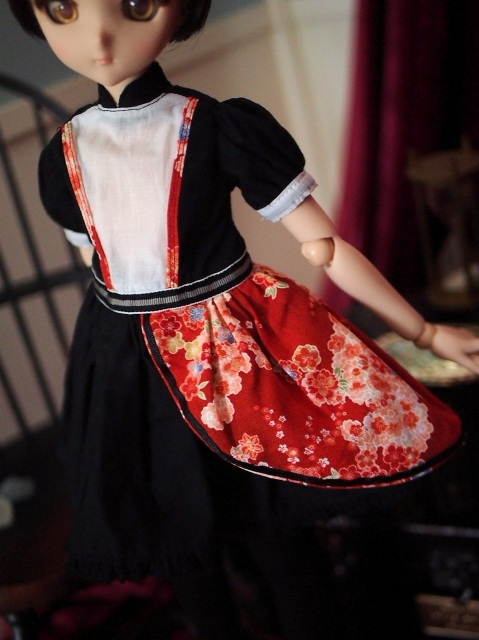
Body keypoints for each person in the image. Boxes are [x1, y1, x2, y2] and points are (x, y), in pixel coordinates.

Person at [8, 1, 479, 637]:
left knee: (275, 531)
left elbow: (324, 246)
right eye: (63, 8)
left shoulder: (215, 126)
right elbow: (98, 257)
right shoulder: (63, 155)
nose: (99, 35)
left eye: (136, 4)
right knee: (181, 545)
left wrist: (426, 331)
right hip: (123, 363)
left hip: (231, 352)